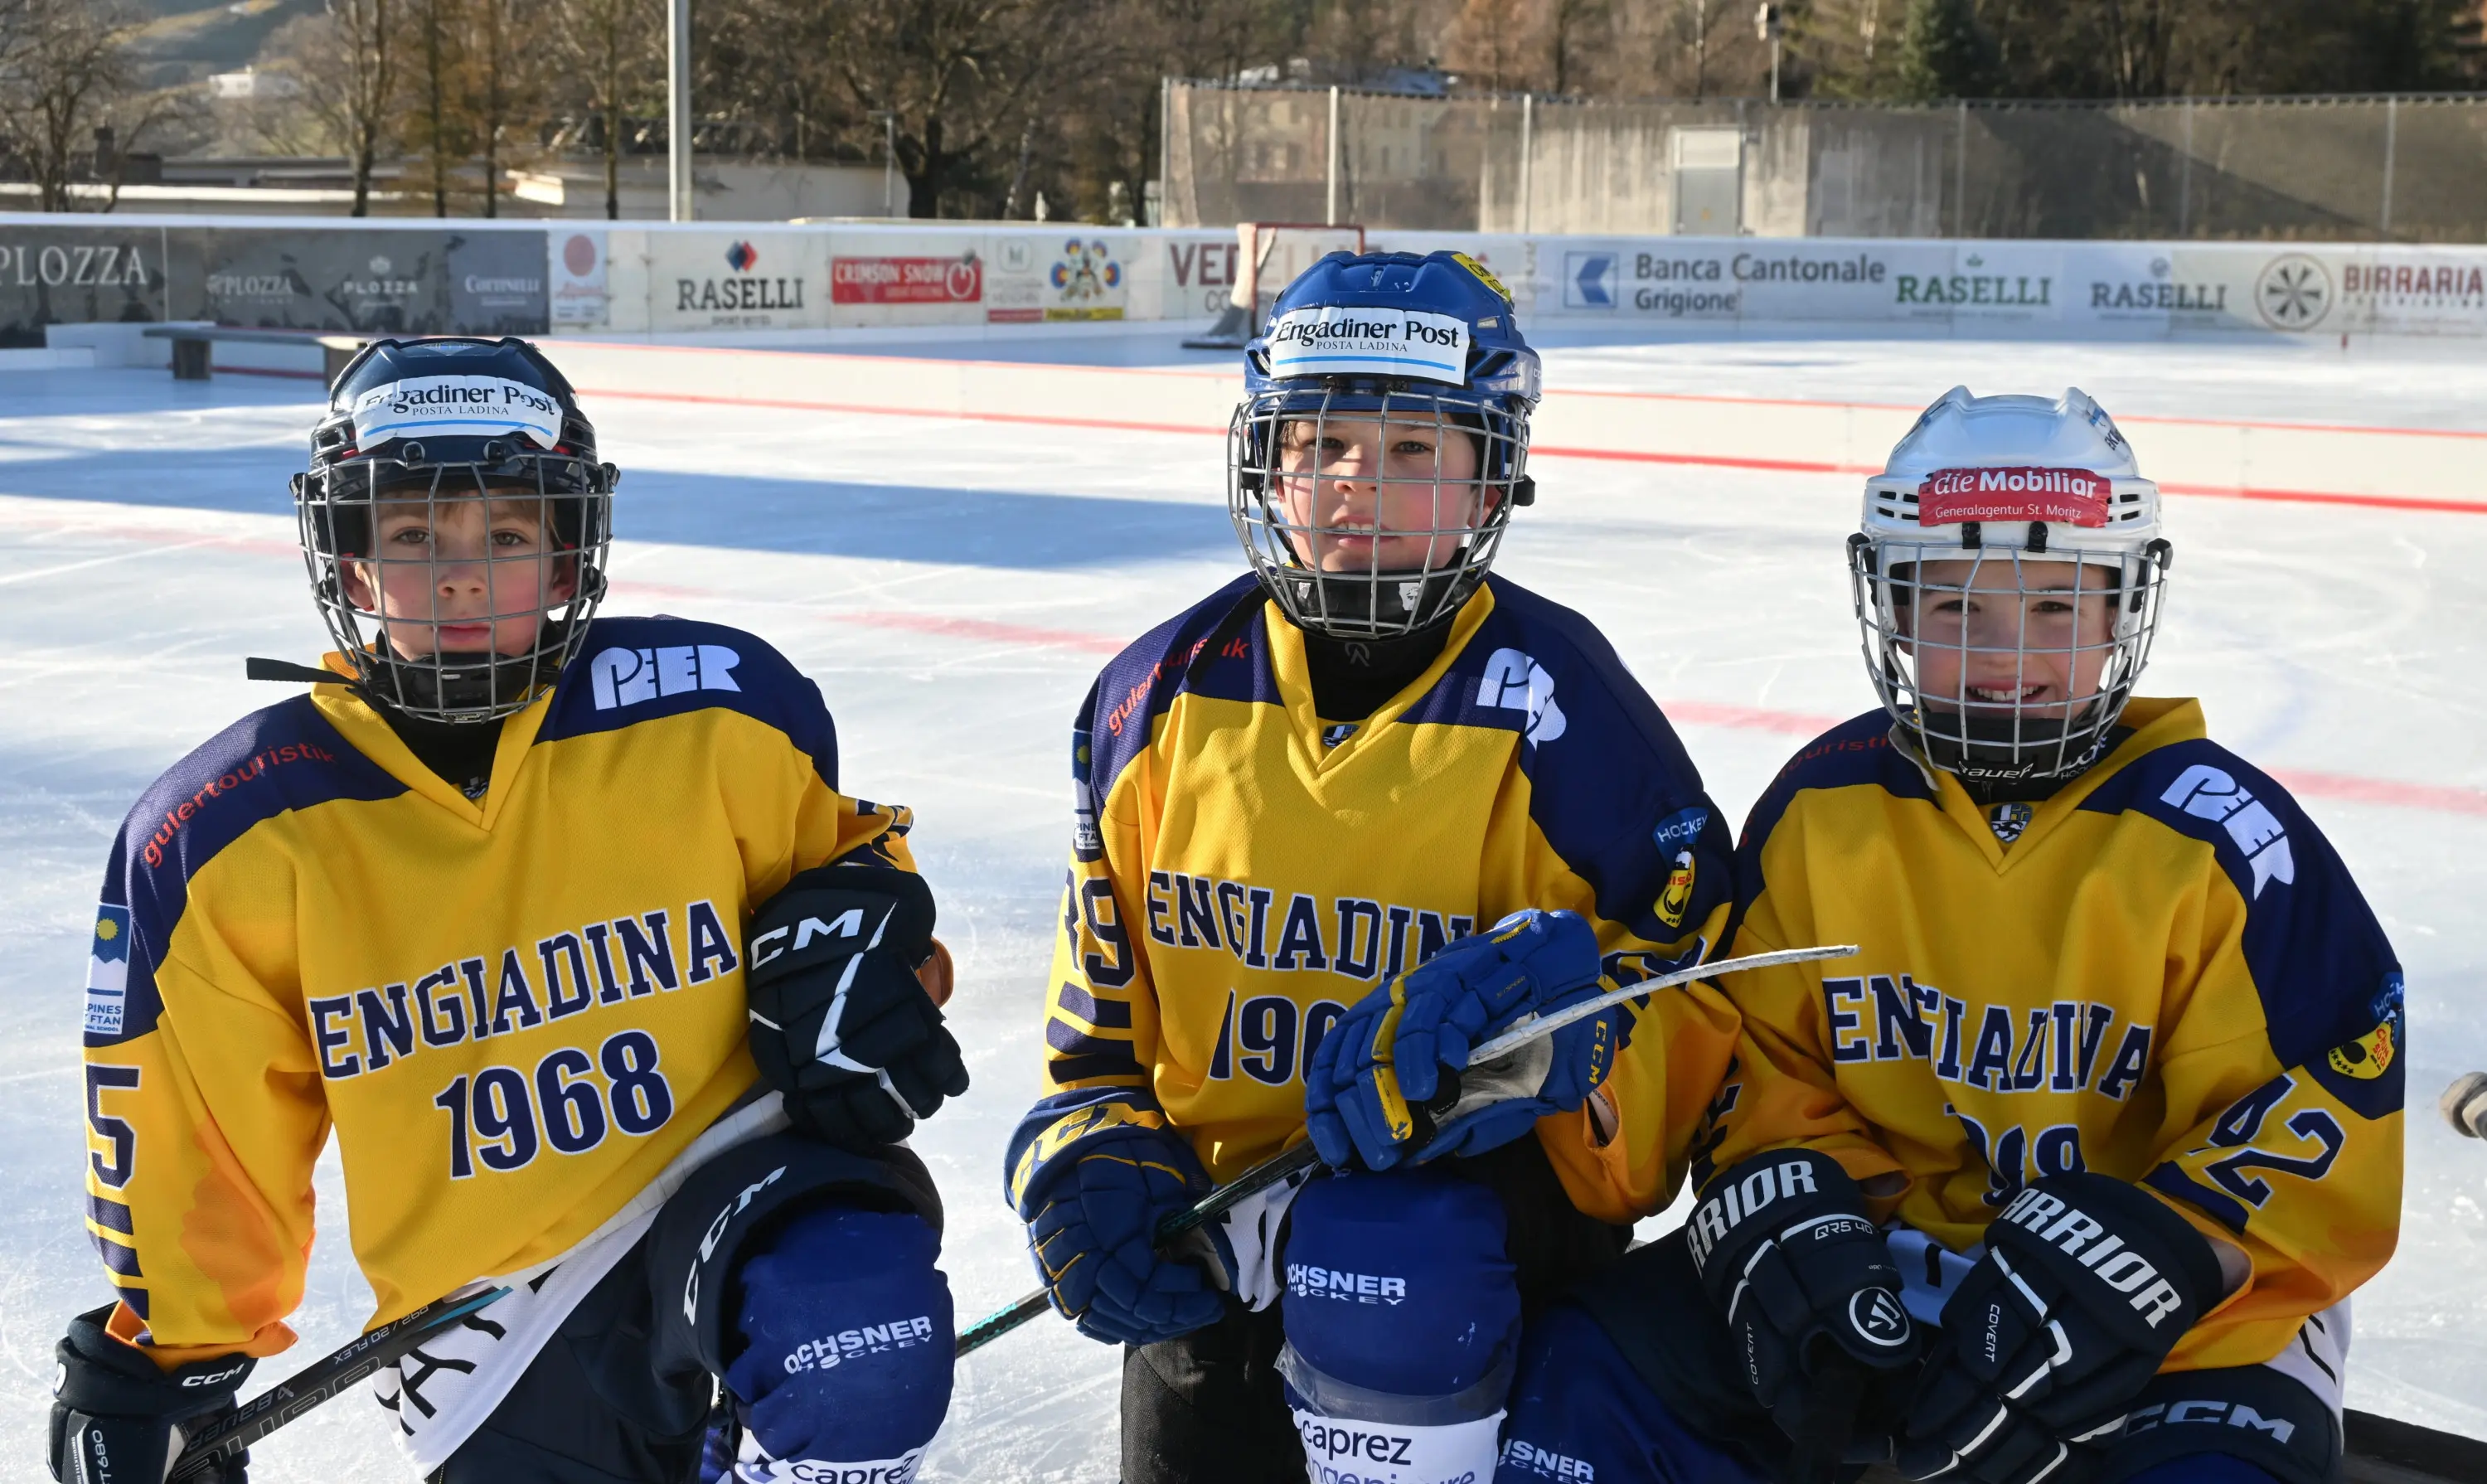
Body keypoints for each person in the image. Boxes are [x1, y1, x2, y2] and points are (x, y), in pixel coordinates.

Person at [55, 337, 971, 1484]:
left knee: (855, 1325)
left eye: (508, 533)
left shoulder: (723, 713)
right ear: (345, 559)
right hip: (489, 1332)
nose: (462, 575)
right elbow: (203, 1137)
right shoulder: (223, 835)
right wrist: (168, 1360)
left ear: (570, 545)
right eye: (410, 536)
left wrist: (883, 964)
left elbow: (874, 920)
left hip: (739, 1196)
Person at [1494, 386, 2403, 1484]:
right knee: (1587, 1373)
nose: (2002, 657)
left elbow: (2333, 1098)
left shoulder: (2223, 841)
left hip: (2182, 1320)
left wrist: (2170, 1245)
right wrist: (1800, 1203)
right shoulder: (1824, 811)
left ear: (2124, 609)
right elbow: (1757, 1063)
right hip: (1896, 1268)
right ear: (1890, 604)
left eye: (2057, 609)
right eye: (1956, 607)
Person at [1001, 250, 1744, 1484]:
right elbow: (1096, 1042)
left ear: (1492, 470)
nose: (1361, 488)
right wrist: (1091, 1151)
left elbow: (1704, 997)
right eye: (1326, 444)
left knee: (1394, 1246)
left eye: (1414, 452)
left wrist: (1579, 1037)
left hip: (1464, 1252)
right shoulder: (1151, 701)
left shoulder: (1575, 717)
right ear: (1269, 460)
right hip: (1220, 1240)